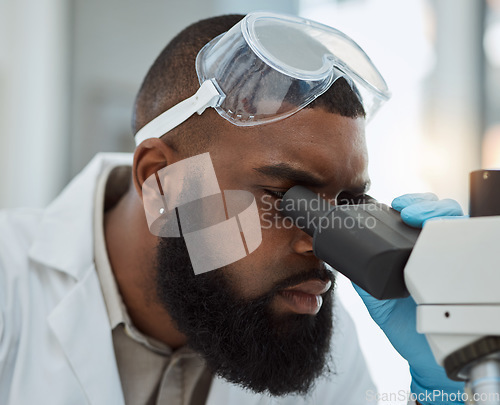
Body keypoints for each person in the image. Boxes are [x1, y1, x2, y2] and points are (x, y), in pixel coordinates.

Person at [0, 12, 465, 405]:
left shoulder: (303, 329)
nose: (323, 242)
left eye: (348, 205)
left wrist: (454, 382)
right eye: (290, 198)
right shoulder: (11, 288)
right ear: (161, 181)